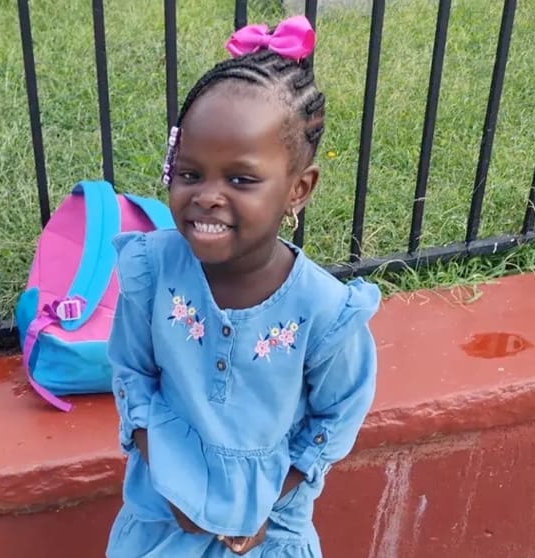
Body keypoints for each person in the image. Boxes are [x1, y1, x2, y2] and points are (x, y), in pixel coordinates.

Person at [105, 15, 380, 557]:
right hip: (161, 526)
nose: (208, 195)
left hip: (264, 536)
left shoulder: (323, 312)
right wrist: (175, 482)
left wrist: (265, 504)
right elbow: (132, 375)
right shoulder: (152, 271)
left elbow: (336, 416)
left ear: (298, 189)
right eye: (190, 173)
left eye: (241, 179)